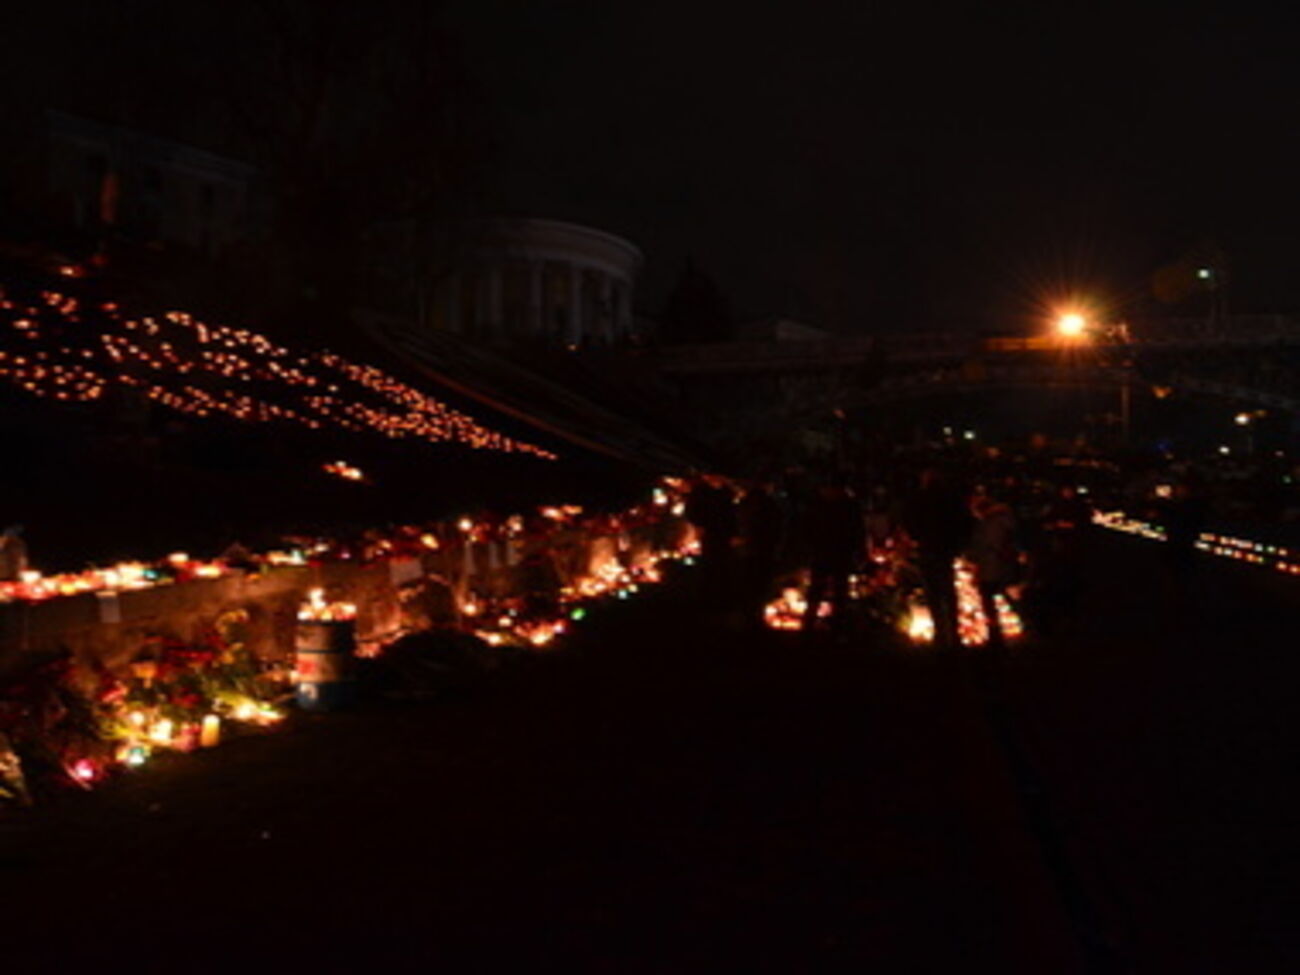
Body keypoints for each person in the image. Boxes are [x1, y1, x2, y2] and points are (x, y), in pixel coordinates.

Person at [901, 466, 972, 649]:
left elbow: (910, 521)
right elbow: (964, 521)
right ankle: (953, 631)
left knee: (934, 592)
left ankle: (941, 633)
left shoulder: (920, 499)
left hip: (929, 548)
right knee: (947, 591)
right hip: (945, 548)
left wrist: (917, 537)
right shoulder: (951, 499)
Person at [801, 480, 864, 637]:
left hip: (834, 554)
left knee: (833, 591)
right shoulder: (844, 507)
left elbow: (857, 531)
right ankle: (817, 624)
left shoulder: (838, 507)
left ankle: (829, 624)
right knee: (824, 590)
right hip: (831, 553)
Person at [969, 493, 1021, 649]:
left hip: (992, 565)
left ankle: (995, 634)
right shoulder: (1005, 519)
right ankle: (1019, 623)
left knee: (989, 599)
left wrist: (976, 560)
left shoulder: (991, 523)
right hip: (1002, 565)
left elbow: (989, 544)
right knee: (1004, 595)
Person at [685, 474, 739, 602]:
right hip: (710, 532)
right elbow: (692, 512)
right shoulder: (700, 491)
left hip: (724, 533)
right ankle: (708, 595)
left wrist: (734, 531)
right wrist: (701, 525)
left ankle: (722, 594)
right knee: (710, 563)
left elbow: (731, 513)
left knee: (724, 564)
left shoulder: (726, 491)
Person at [737, 481, 784, 626]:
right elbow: (777, 528)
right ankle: (755, 615)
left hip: (749, 549)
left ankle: (748, 615)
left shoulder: (744, 505)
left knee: (748, 583)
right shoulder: (770, 506)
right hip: (763, 549)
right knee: (760, 584)